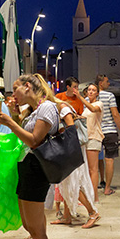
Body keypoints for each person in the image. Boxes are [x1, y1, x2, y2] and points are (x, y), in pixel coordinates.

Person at [0, 74, 60, 239]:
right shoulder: (34, 110)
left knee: (37, 231)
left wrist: (10, 123)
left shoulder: (47, 107)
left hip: (36, 172)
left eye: (15, 89)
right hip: (27, 170)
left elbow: (34, 140)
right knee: (32, 227)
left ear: (27, 86)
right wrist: (11, 118)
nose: (13, 94)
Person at [40, 82, 100, 229]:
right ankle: (67, 216)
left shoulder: (62, 107)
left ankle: (92, 213)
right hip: (69, 149)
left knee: (74, 184)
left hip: (71, 149)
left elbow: (71, 129)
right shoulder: (58, 106)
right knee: (65, 183)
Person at [96, 74, 120, 195]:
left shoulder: (89, 97)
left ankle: (97, 184)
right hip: (109, 132)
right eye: (107, 81)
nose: (109, 84)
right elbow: (115, 114)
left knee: (95, 161)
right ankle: (107, 188)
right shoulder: (110, 96)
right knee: (109, 159)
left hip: (96, 133)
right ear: (100, 83)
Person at [80, 83, 104, 205]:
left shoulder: (98, 104)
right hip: (85, 138)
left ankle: (94, 197)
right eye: (89, 90)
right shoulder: (86, 108)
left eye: (93, 90)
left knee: (93, 170)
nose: (90, 92)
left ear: (97, 93)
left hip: (94, 137)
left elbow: (93, 109)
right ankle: (89, 195)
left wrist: (80, 98)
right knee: (87, 169)